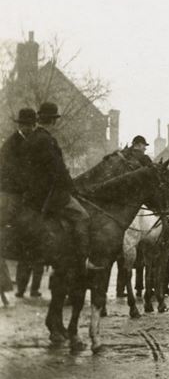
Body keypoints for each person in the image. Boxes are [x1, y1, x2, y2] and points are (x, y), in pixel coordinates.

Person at [24, 102, 102, 270]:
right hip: (49, 194)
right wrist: (72, 188)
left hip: (33, 193)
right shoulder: (47, 140)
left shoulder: (32, 138)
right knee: (83, 216)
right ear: (53, 121)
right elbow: (58, 169)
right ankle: (83, 260)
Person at [1, 108, 37, 259]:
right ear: (19, 125)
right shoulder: (11, 144)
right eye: (25, 125)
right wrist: (27, 186)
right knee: (12, 220)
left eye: (30, 125)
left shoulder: (30, 141)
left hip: (21, 189)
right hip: (10, 190)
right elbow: (11, 171)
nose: (28, 128)